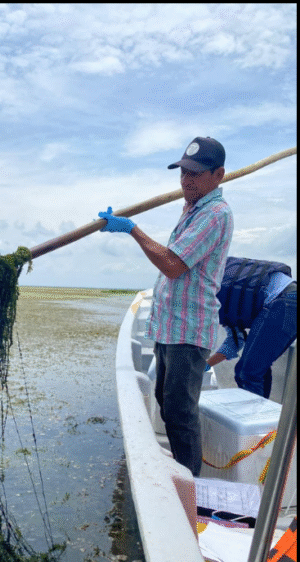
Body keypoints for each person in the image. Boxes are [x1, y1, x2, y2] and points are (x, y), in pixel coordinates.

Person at [99, 136, 233, 476]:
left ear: (218, 175)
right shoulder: (193, 207)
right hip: (169, 327)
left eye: (196, 174)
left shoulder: (215, 214)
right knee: (165, 400)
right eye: (183, 172)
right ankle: (182, 468)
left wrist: (132, 229)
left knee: (180, 412)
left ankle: (189, 483)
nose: (186, 180)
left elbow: (173, 264)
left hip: (189, 332)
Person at [207, 256, 296, 399]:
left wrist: (202, 366)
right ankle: (263, 417)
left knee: (247, 373)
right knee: (255, 370)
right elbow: (236, 340)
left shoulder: (208, 290)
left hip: (284, 301)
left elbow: (235, 341)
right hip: (286, 300)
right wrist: (206, 365)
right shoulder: (223, 287)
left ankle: (255, 419)